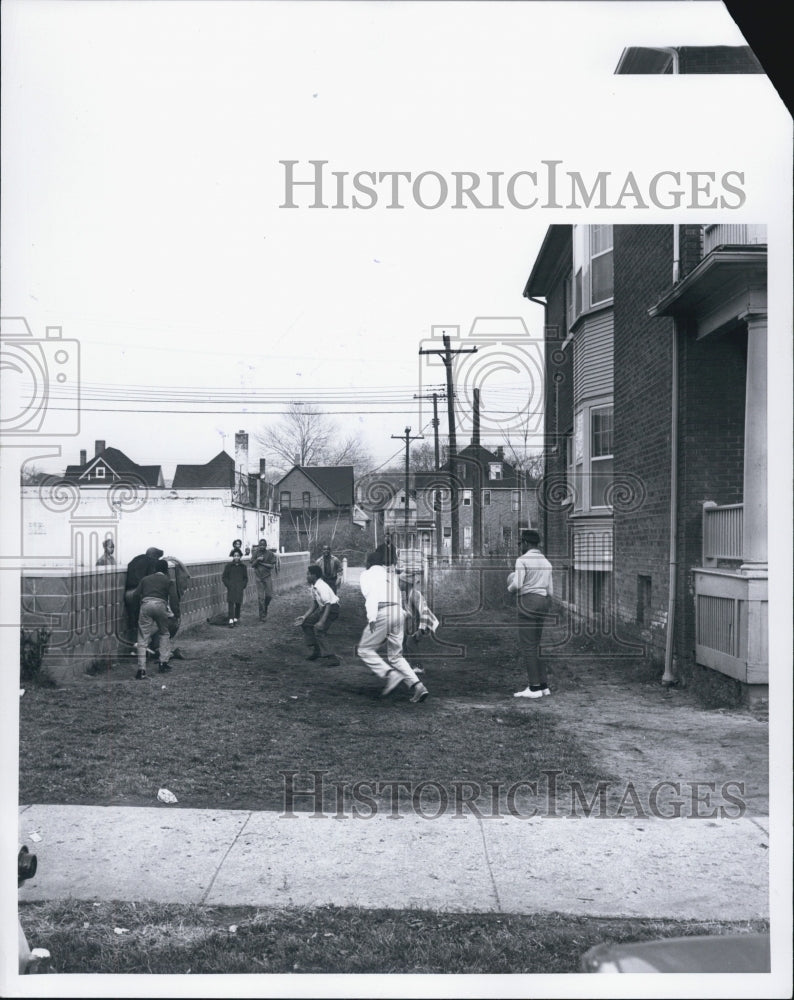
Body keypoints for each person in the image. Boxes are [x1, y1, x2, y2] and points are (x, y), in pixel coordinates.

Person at [357, 551, 428, 703]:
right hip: (398, 612)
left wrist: (371, 617)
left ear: (369, 563)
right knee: (396, 656)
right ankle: (418, 686)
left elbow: (371, 597)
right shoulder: (389, 575)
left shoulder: (366, 574)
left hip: (384, 611)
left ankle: (390, 674)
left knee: (364, 649)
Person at [507, 528, 554, 699]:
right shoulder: (547, 562)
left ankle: (534, 688)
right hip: (543, 601)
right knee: (537, 644)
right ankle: (543, 685)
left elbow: (518, 584)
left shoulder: (522, 560)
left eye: (521, 543)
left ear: (526, 543)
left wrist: (509, 588)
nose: (520, 546)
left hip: (528, 602)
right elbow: (551, 590)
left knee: (528, 646)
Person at [132, 559, 180, 679]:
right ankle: (163, 663)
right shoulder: (168, 581)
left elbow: (135, 595)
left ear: (155, 569)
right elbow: (174, 599)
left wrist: (137, 611)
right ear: (166, 570)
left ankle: (141, 670)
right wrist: (176, 614)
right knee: (164, 633)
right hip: (160, 606)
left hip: (146, 605)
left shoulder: (145, 579)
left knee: (143, 638)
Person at [295, 565, 341, 666]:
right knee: (306, 623)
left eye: (308, 574)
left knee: (320, 631)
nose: (306, 576)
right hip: (324, 608)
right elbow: (315, 604)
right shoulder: (314, 586)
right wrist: (304, 616)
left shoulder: (321, 586)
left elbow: (328, 604)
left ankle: (332, 658)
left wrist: (321, 621)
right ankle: (317, 651)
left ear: (314, 576)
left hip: (332, 609)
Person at [399, 568, 439, 676]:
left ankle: (419, 667)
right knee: (405, 642)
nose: (399, 583)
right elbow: (409, 612)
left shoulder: (415, 595)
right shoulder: (408, 595)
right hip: (414, 624)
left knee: (410, 642)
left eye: (400, 581)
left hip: (421, 624)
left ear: (406, 583)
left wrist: (421, 631)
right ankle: (409, 665)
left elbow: (424, 611)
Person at [124, 546, 164, 649]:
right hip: (138, 593)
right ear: (154, 556)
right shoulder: (151, 562)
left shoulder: (136, 559)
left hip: (128, 593)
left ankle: (137, 648)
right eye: (157, 558)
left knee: (135, 621)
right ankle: (147, 647)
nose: (157, 560)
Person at [251, 539, 278, 621]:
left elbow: (271, 566)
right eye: (260, 545)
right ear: (259, 545)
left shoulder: (270, 554)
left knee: (269, 596)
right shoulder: (256, 553)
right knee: (260, 598)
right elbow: (252, 564)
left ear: (266, 545)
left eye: (263, 545)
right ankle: (262, 615)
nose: (262, 546)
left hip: (267, 577)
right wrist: (257, 560)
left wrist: (261, 563)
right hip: (258, 577)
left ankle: (265, 607)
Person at [222, 549, 248, 626]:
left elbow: (245, 578)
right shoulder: (228, 566)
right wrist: (228, 585)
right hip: (231, 587)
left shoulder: (243, 567)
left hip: (239, 587)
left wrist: (243, 585)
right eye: (235, 556)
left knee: (238, 602)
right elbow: (224, 577)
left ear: (240, 557)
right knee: (231, 602)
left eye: (238, 556)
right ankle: (231, 620)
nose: (236, 557)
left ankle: (236, 618)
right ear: (233, 556)